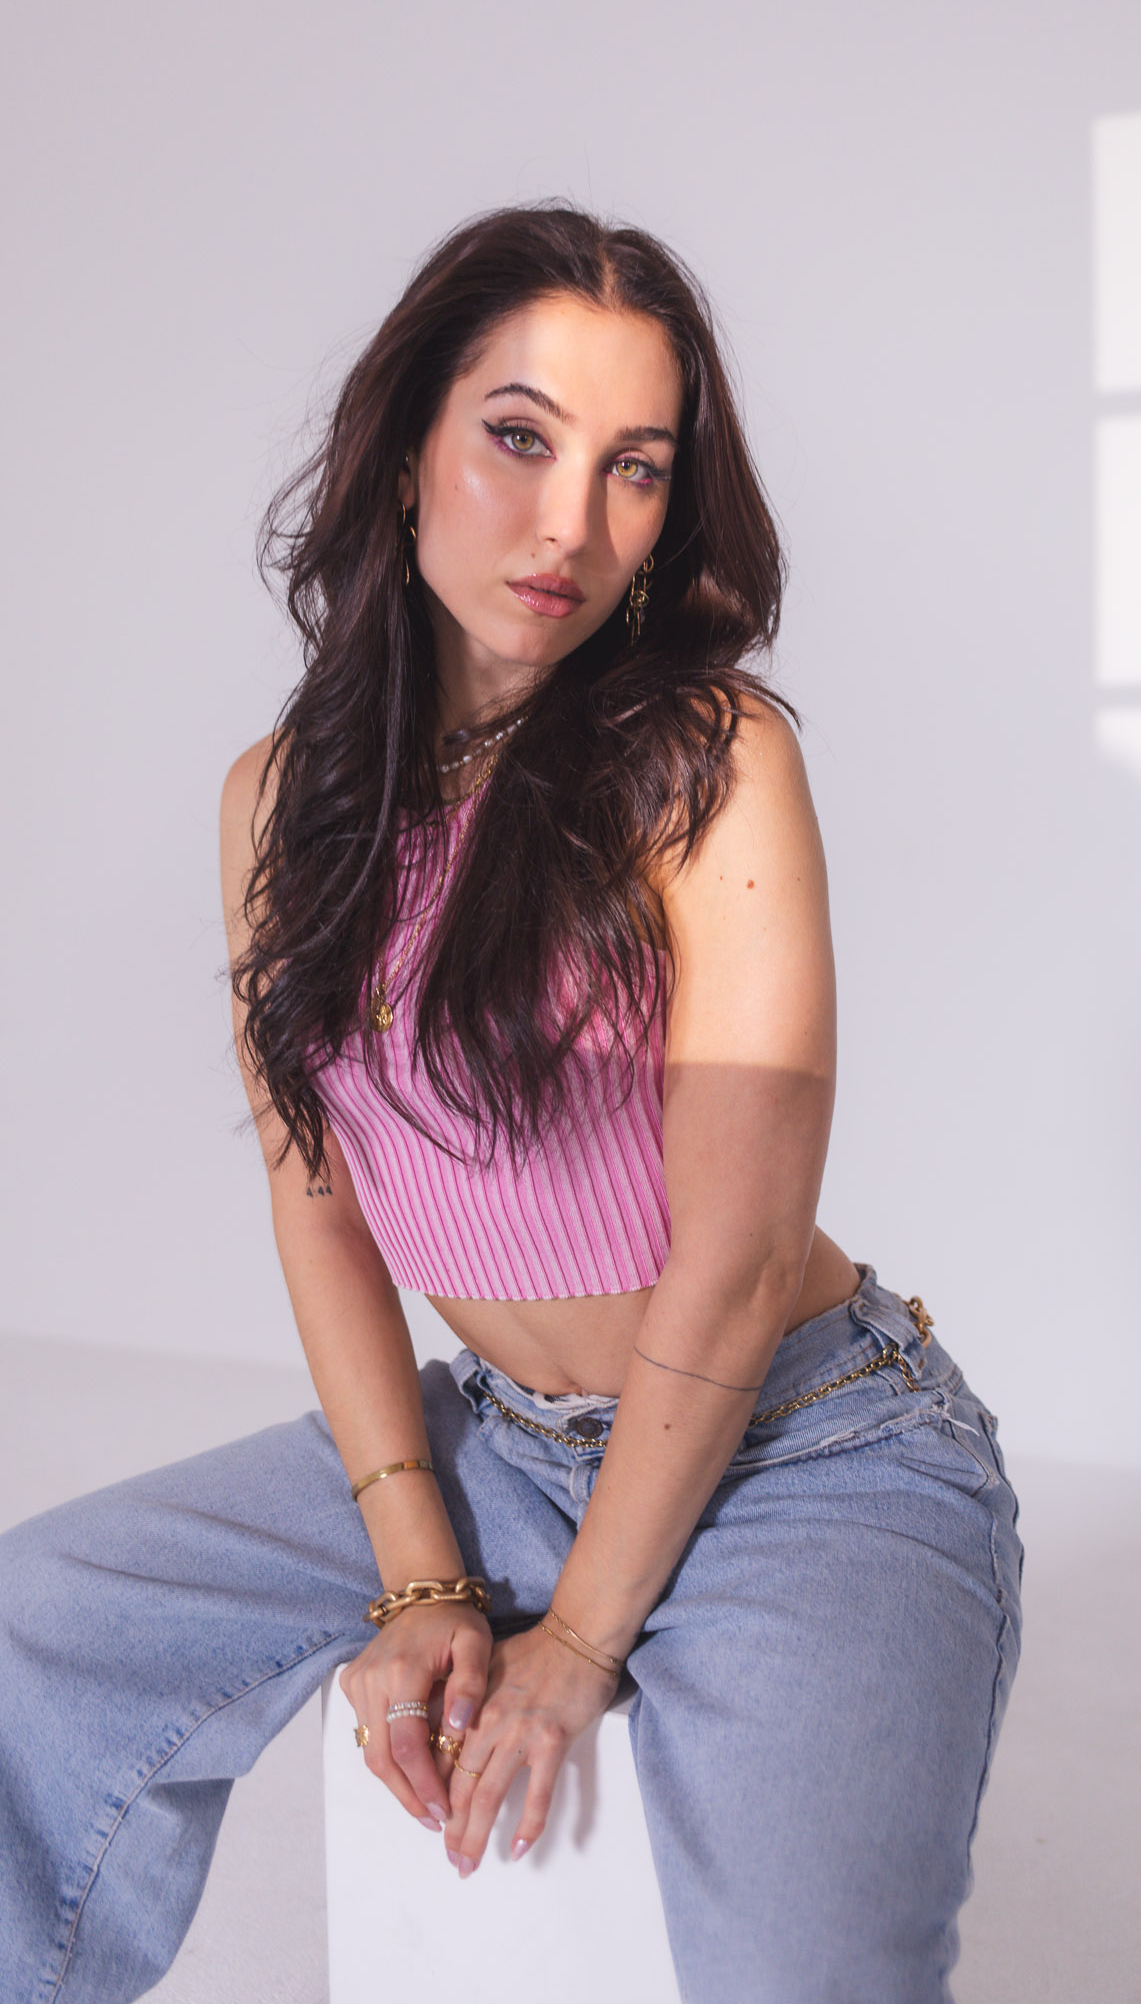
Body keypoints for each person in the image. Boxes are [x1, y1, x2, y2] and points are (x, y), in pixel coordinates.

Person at [0, 204, 1022, 2004]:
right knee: (38, 1627)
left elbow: (739, 1252)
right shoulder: (278, 799)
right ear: (406, 452)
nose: (570, 524)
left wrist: (579, 1645)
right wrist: (421, 1577)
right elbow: (319, 1202)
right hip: (505, 1446)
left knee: (807, 1974)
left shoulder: (705, 759)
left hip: (807, 1454)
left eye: (635, 467)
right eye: (520, 438)